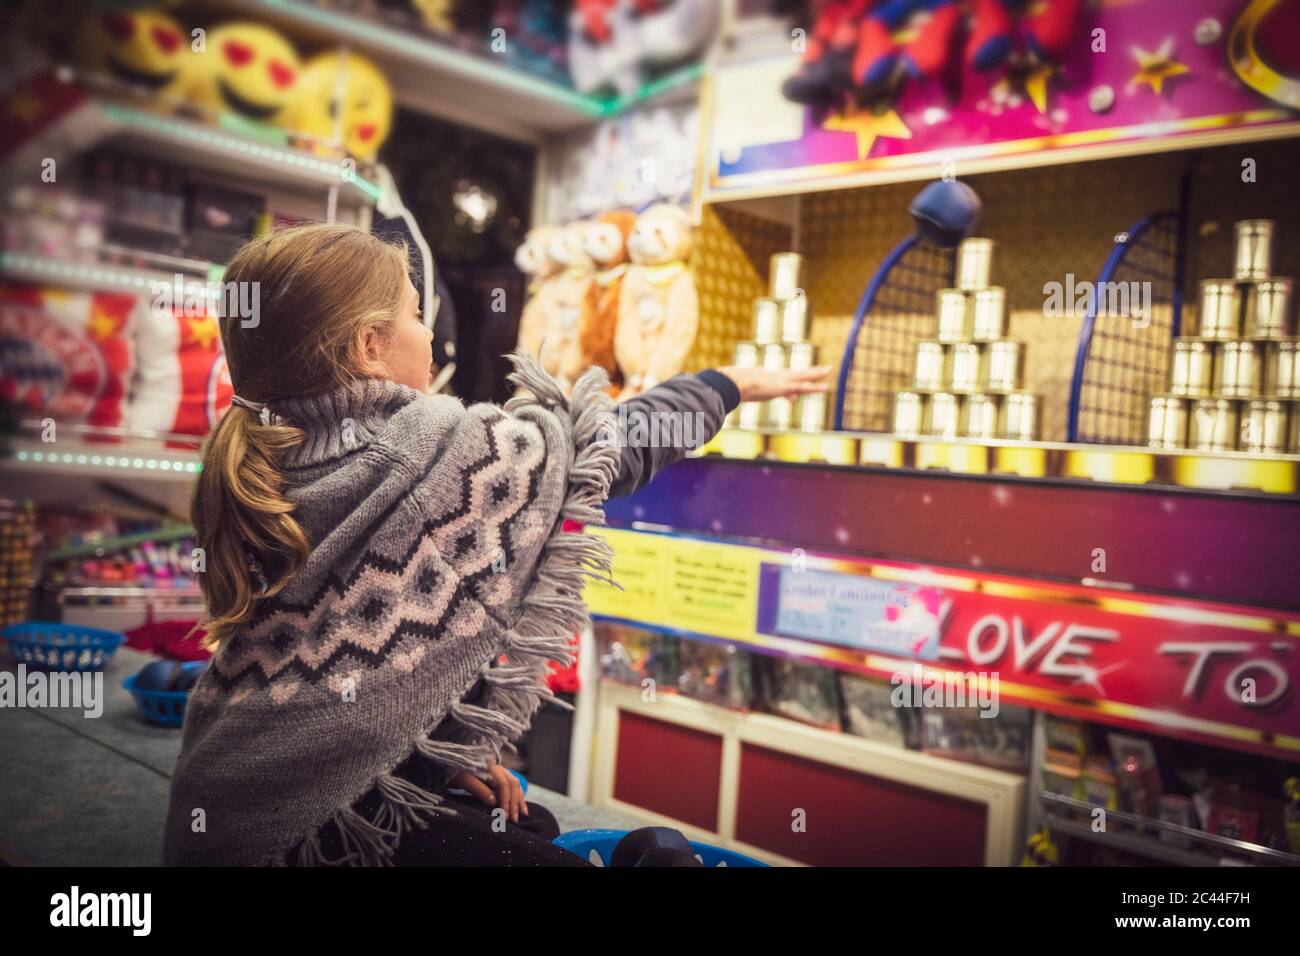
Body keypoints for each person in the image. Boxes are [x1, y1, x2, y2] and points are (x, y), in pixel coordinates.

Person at [162, 222, 828, 866]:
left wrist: (432, 759)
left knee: (523, 821)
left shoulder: (259, 453)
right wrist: (725, 386)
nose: (431, 337)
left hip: (232, 808)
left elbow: (348, 681)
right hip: (308, 837)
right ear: (369, 345)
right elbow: (606, 445)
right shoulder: (426, 452)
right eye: (418, 317)